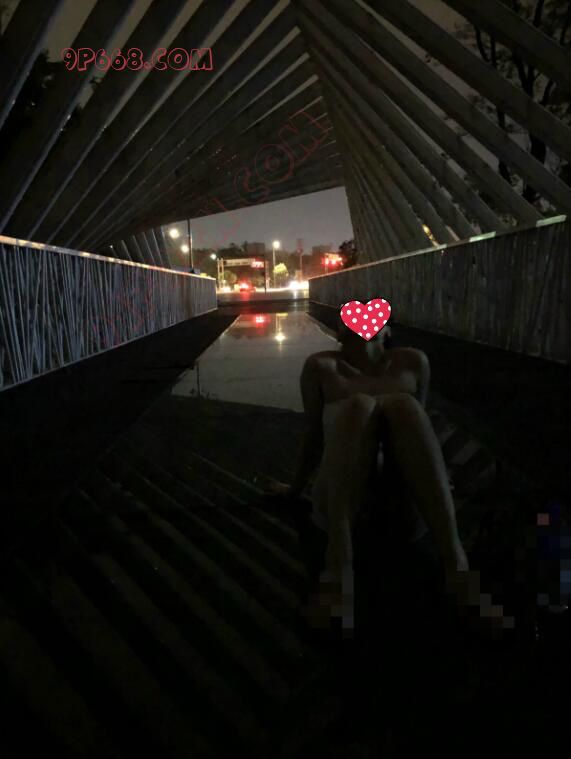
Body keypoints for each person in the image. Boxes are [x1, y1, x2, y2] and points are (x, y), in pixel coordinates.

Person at [268, 313, 514, 635]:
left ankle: (457, 567)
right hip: (343, 504)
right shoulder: (321, 367)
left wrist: (438, 478)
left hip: (402, 503)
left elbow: (418, 431)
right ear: (340, 332)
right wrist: (294, 490)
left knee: (404, 406)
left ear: (387, 331)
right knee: (359, 406)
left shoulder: (413, 362)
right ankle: (339, 565)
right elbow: (314, 438)